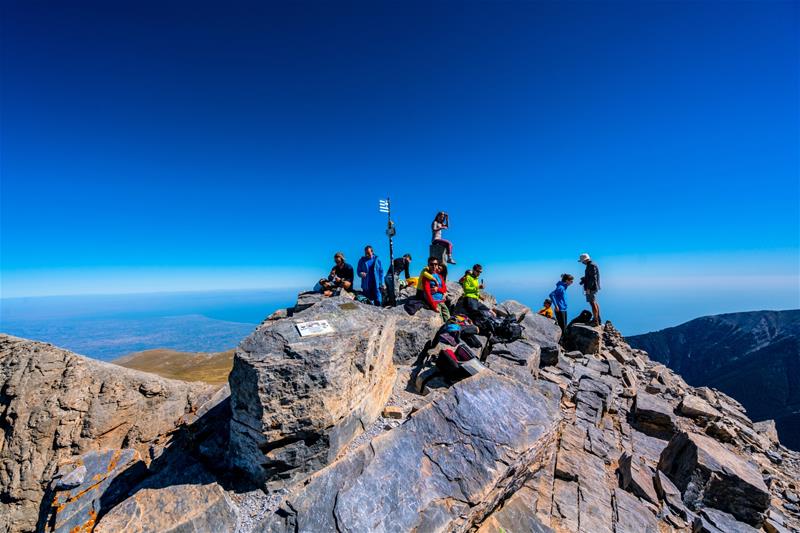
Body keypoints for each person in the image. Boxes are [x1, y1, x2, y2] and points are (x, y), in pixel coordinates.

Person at [578, 253, 602, 326]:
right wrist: (584, 279)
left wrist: (588, 288)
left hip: (591, 288)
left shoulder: (591, 265)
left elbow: (592, 278)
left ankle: (595, 321)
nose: (582, 263)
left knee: (592, 303)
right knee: (594, 302)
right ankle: (597, 319)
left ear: (585, 260)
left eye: (582, 261)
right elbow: (591, 277)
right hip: (593, 287)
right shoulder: (590, 265)